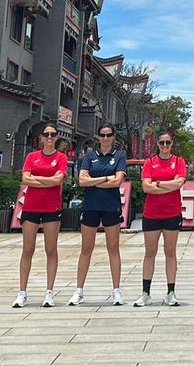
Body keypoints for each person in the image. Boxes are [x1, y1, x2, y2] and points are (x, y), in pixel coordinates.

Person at [72, 123, 128, 306]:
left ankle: (116, 291)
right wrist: (105, 178)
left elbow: (117, 181)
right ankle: (79, 290)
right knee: (86, 248)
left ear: (113, 137)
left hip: (111, 206)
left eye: (108, 135)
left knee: (113, 248)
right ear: (98, 137)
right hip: (91, 206)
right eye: (102, 135)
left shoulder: (119, 156)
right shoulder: (90, 156)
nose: (105, 138)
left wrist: (94, 181)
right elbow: (82, 181)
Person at [14, 124, 68, 308]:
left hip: (51, 208)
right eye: (47, 134)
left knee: (50, 249)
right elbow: (25, 179)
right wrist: (48, 181)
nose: (50, 137)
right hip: (31, 207)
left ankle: (49, 292)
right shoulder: (32, 157)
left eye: (53, 134)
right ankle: (22, 292)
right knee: (27, 249)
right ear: (41, 137)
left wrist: (37, 180)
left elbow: (58, 180)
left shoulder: (61, 157)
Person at [135, 131, 186, 307]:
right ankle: (145, 293)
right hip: (152, 214)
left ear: (172, 144)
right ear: (157, 144)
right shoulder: (150, 162)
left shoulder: (178, 161)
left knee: (170, 252)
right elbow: (146, 187)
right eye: (162, 143)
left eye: (168, 143)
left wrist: (157, 183)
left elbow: (179, 183)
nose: (165, 146)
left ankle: (171, 292)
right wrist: (167, 185)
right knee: (150, 252)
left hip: (172, 213)